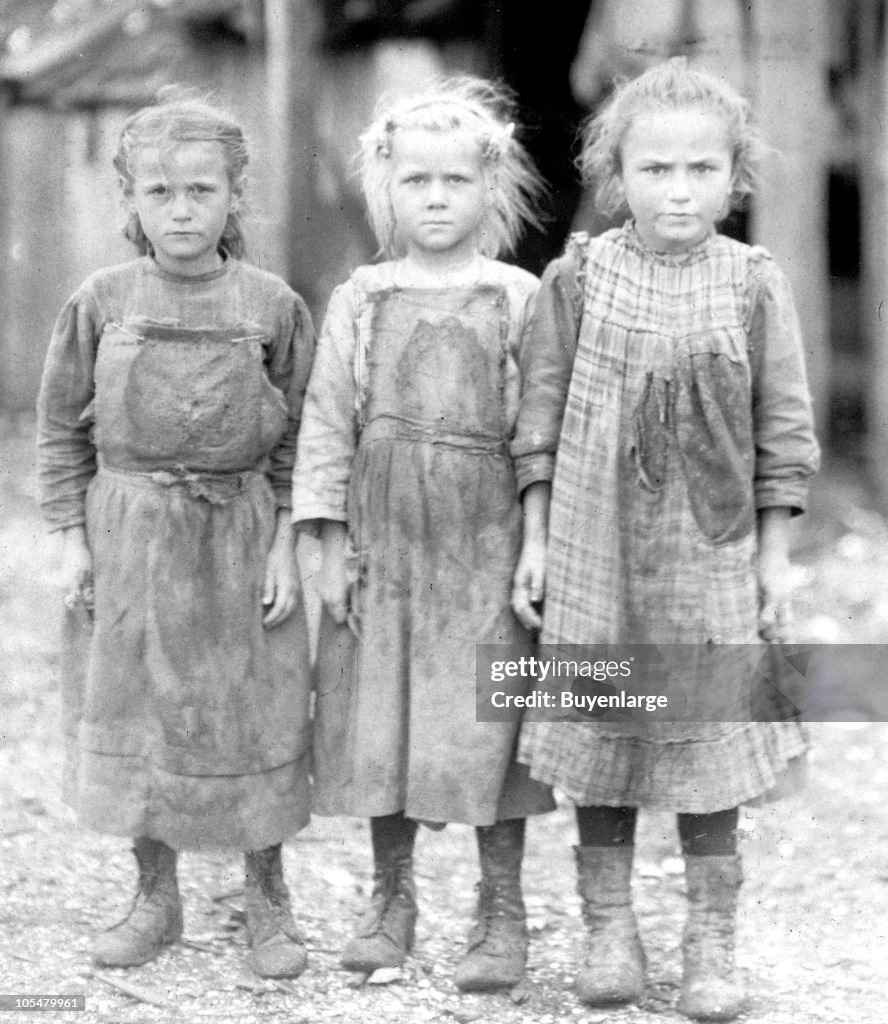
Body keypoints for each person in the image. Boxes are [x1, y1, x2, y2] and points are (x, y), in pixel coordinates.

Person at [511, 58, 820, 1020]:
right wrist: (534, 540)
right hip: (593, 552)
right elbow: (540, 418)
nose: (678, 190)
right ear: (616, 176)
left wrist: (773, 559)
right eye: (654, 170)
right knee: (601, 731)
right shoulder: (580, 276)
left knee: (709, 744)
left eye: (699, 170)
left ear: (734, 179)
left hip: (711, 558)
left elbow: (785, 431)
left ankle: (710, 939)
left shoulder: (753, 282)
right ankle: (609, 927)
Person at [36, 90, 316, 980]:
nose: (183, 209)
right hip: (131, 534)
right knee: (140, 709)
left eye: (202, 189)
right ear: (132, 202)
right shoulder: (101, 299)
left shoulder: (272, 305)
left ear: (237, 195)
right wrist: (75, 538)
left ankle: (266, 898)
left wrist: (286, 548)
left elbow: (304, 438)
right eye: (160, 193)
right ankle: (154, 897)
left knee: (252, 708)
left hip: (240, 533)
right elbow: (60, 430)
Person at [291, 77, 555, 992]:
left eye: (454, 181)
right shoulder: (359, 298)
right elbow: (326, 424)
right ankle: (391, 899)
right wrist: (324, 542)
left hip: (481, 546)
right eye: (416, 182)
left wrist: (535, 540)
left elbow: (537, 436)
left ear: (491, 188)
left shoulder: (519, 298)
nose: (435, 198)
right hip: (386, 544)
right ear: (386, 188)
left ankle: (501, 907)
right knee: (383, 719)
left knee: (495, 717)